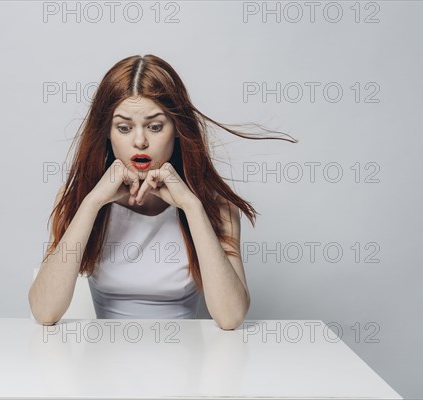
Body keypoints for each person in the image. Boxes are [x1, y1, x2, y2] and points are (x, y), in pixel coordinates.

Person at [29, 54, 298, 330]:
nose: (140, 141)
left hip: (187, 368)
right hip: (103, 364)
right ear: (107, 133)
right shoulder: (78, 199)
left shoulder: (217, 207)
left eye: (155, 127)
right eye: (123, 127)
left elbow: (230, 318)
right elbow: (44, 311)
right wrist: (92, 202)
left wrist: (191, 207)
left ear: (178, 130)